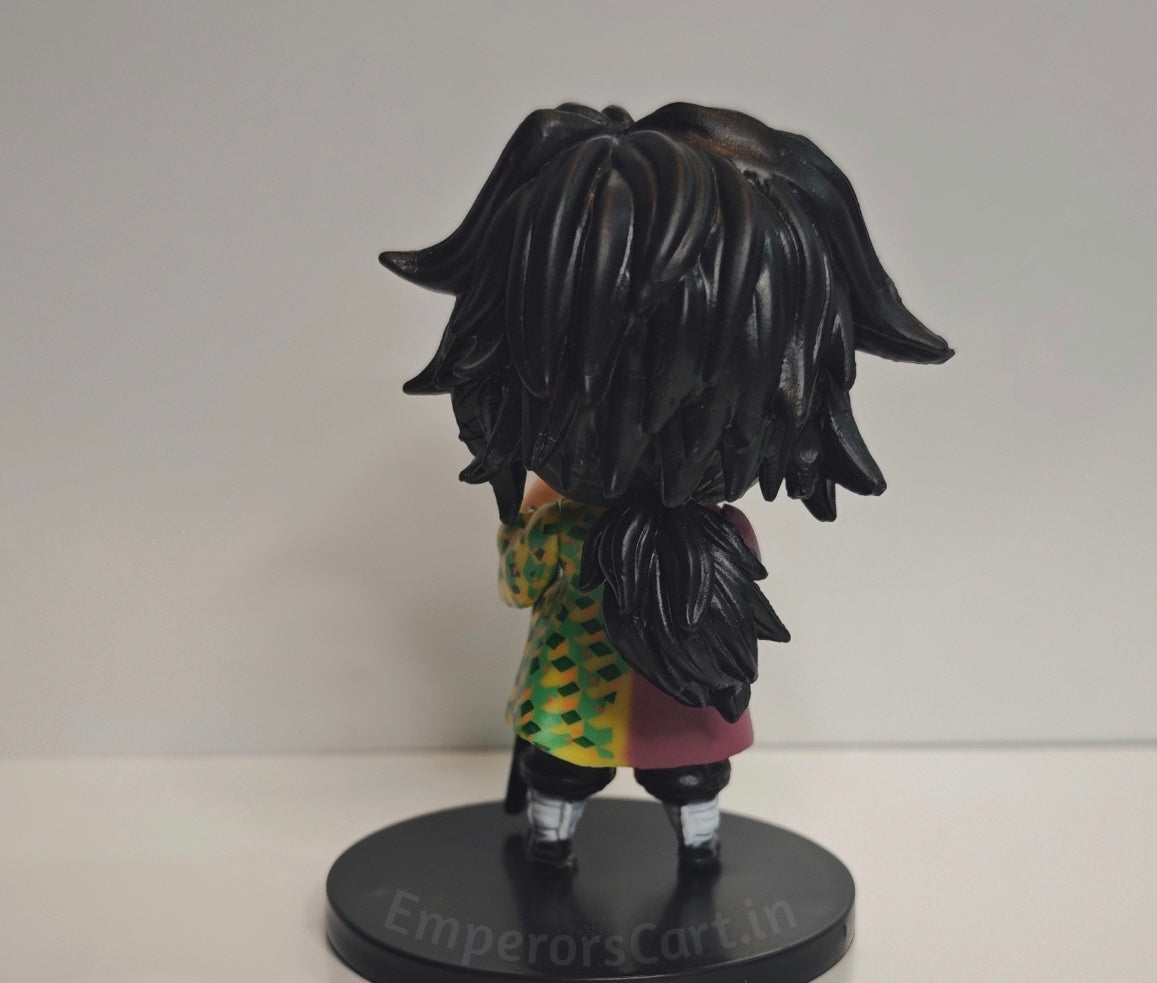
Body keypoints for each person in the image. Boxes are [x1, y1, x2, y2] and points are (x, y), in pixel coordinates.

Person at [381, 101, 952, 869]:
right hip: (683, 706)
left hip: (576, 701)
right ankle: (697, 843)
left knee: (565, 771)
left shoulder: (564, 531)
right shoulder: (723, 537)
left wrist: (524, 520)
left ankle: (555, 842)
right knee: (687, 774)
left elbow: (517, 583)